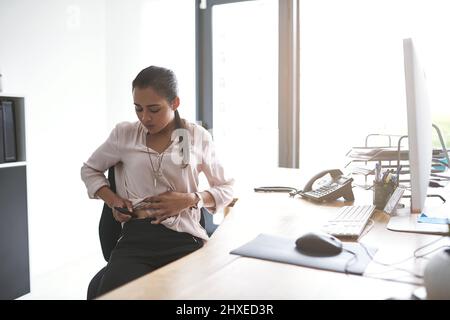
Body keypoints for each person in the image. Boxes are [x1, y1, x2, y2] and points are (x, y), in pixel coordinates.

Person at [81, 65, 234, 298]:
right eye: (138, 109)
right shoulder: (124, 134)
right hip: (136, 238)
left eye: (154, 109)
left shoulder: (195, 137)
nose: (145, 117)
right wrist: (113, 200)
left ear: (175, 103)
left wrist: (191, 199)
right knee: (111, 294)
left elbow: (227, 188)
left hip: (184, 237)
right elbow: (90, 169)